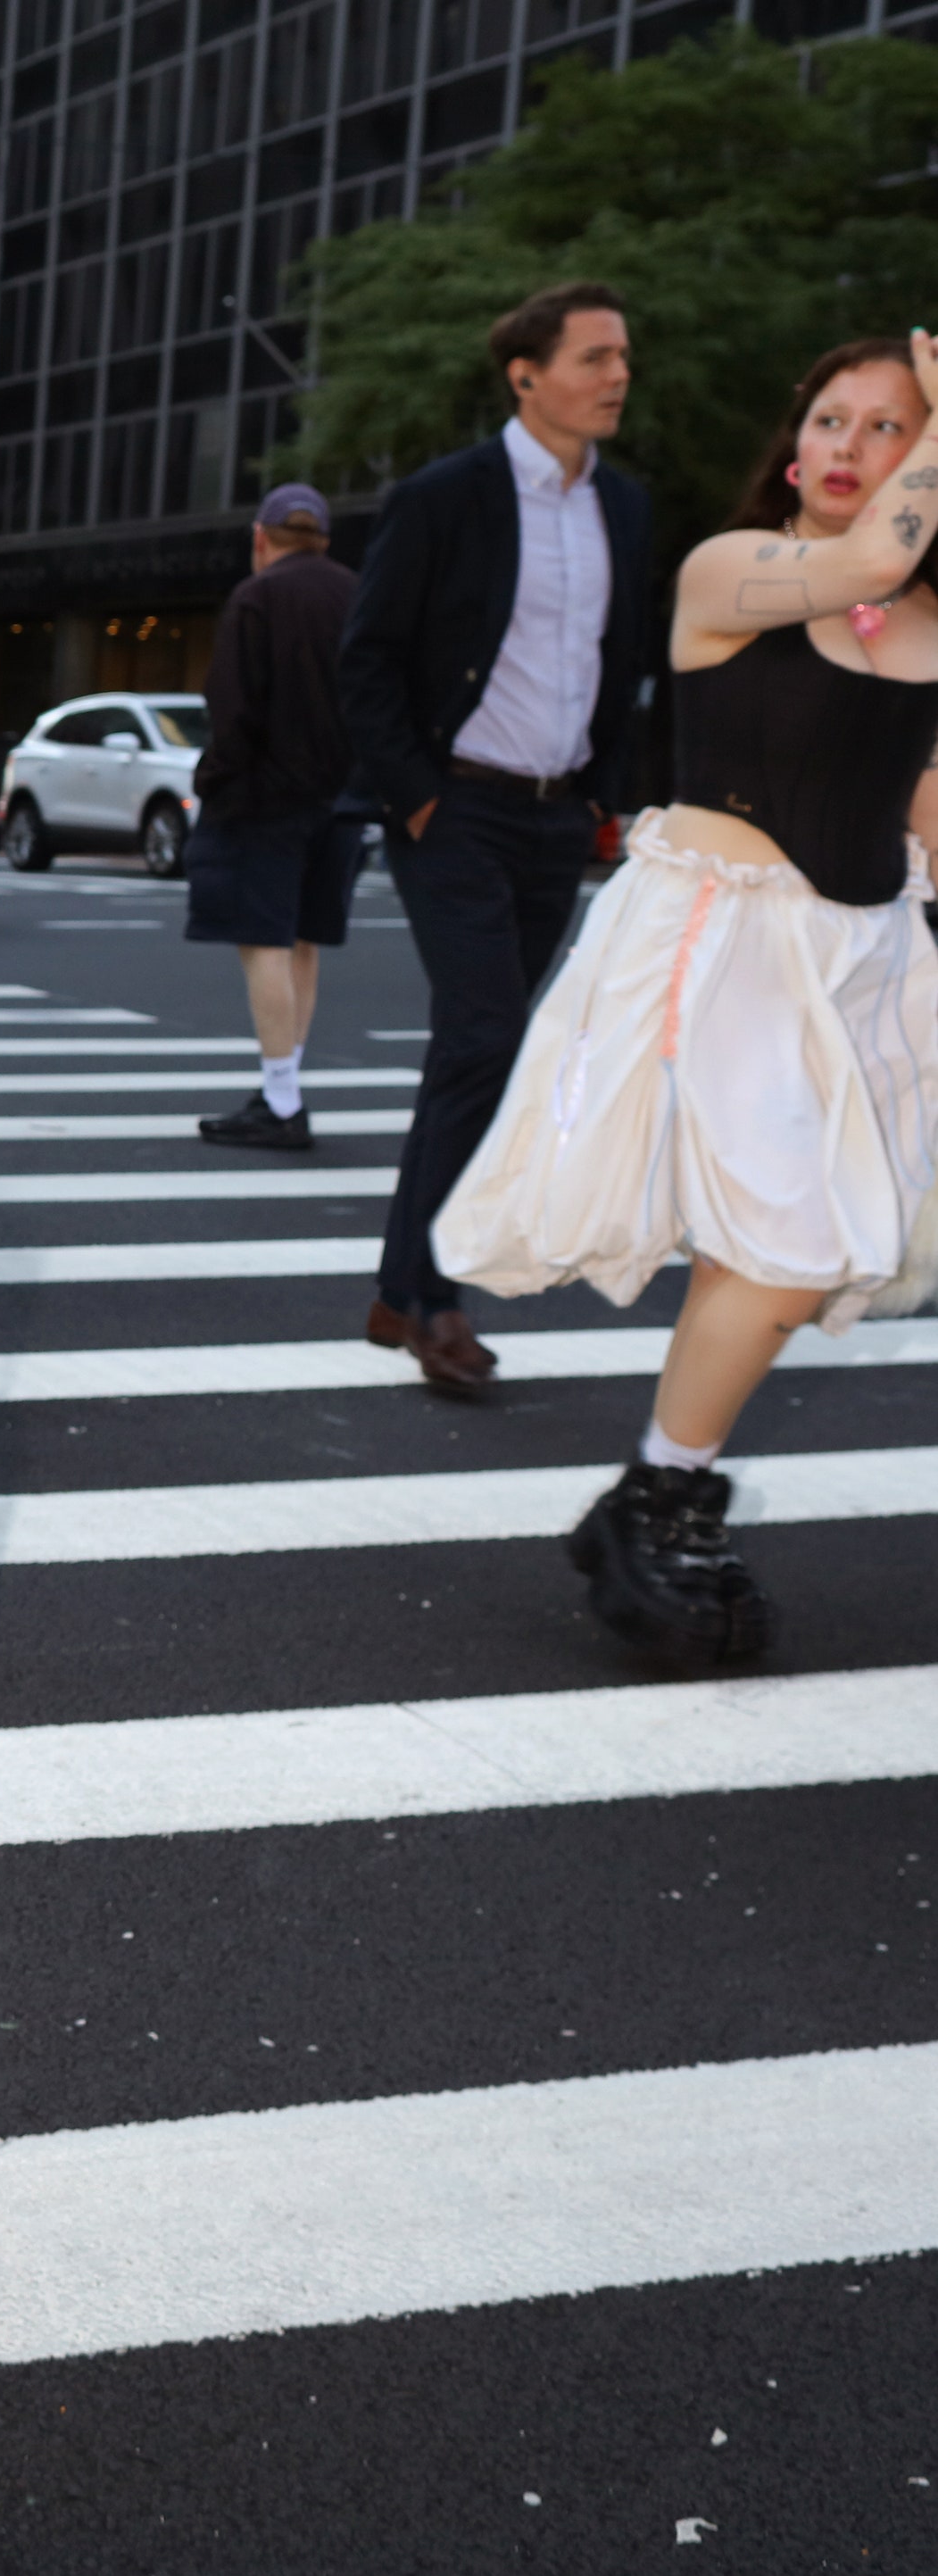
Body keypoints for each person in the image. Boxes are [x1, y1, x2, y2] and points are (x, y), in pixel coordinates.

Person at [436, 334, 938, 1662]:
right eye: (832, 416)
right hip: (721, 946)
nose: (849, 446)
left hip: (858, 962)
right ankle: (659, 1497)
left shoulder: (928, 628)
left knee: (788, 1250)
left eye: (889, 428)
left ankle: (660, 1496)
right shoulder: (741, 570)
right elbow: (870, 564)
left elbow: (927, 808)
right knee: (785, 1247)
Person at [338, 281, 651, 1395]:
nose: (619, 374)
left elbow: (625, 661)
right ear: (527, 375)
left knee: (483, 1049)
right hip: (457, 805)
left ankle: (396, 1282)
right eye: (596, 357)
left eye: (623, 357)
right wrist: (417, 795)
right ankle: (432, 1301)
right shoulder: (446, 498)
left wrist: (601, 796)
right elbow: (366, 657)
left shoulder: (625, 507)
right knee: (482, 1034)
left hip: (554, 815)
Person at [185, 483, 362, 1151]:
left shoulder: (255, 597)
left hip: (265, 798)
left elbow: (232, 707)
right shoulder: (354, 592)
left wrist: (216, 784)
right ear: (321, 537)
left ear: (260, 537)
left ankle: (282, 1097)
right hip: (340, 800)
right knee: (305, 941)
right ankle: (284, 1085)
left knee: (264, 942)